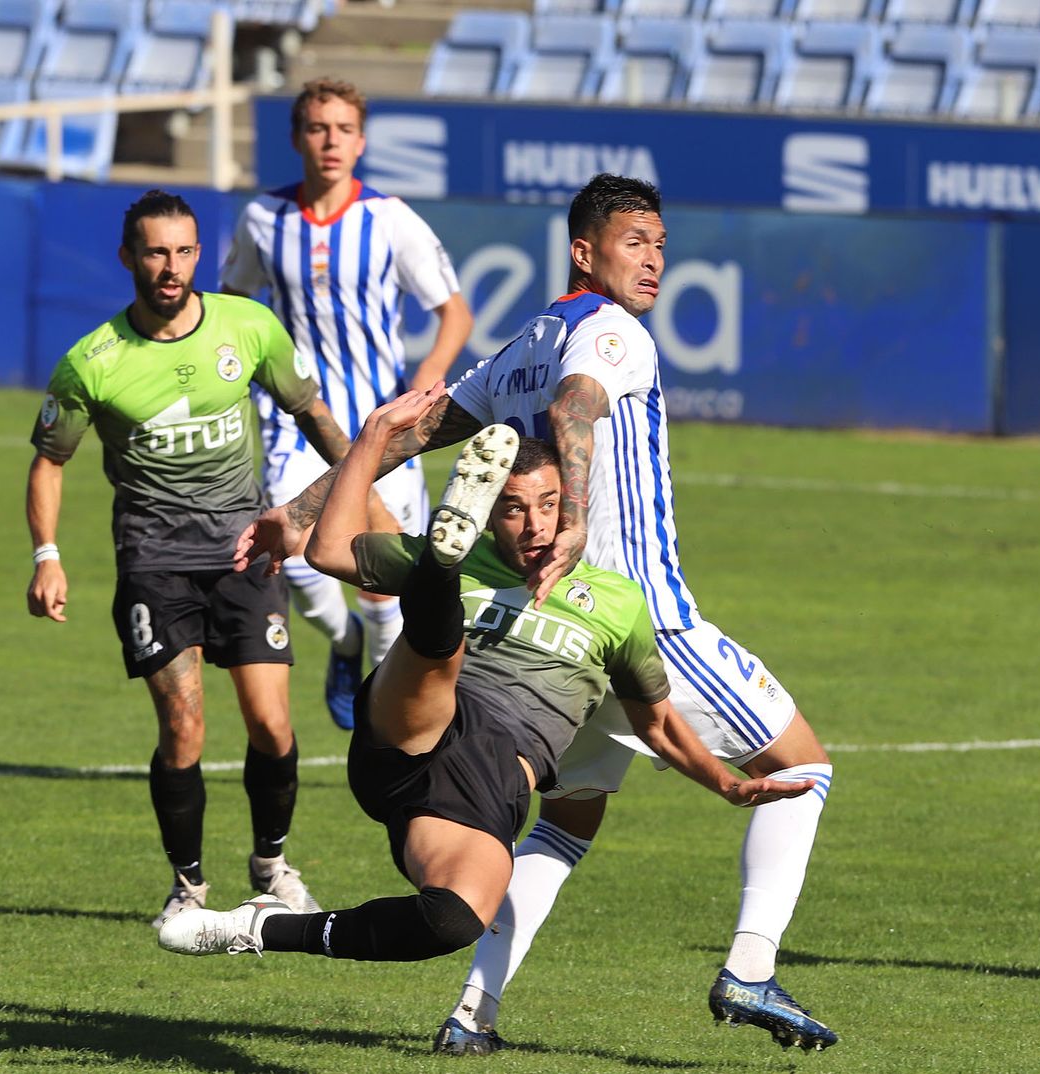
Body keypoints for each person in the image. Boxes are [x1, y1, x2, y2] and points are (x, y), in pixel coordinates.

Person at [236, 174, 841, 1054]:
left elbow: (419, 429)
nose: (655, 261)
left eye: (662, 244)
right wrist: (581, 512)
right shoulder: (611, 332)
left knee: (568, 819)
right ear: (584, 251)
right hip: (639, 620)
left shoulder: (525, 342)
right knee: (806, 773)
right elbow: (577, 405)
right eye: (636, 241)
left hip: (537, 644)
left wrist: (296, 515)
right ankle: (750, 966)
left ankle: (471, 1018)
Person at [159, 403, 812, 993]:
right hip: (417, 720)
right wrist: (373, 438)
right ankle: (436, 579)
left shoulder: (616, 604)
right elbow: (327, 550)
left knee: (453, 920)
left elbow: (660, 725)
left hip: (491, 781)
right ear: (486, 511)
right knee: (440, 645)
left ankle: (256, 928)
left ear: (569, 506)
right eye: (513, 508)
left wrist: (726, 786)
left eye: (550, 505)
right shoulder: (474, 559)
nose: (535, 525)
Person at [26, 190, 358, 930]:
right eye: (154, 252)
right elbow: (50, 462)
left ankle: (272, 866)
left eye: (182, 252)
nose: (169, 268)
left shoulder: (249, 326)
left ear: (199, 255)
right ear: (128, 258)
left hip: (245, 556)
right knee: (184, 731)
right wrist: (47, 555)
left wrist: (355, 487)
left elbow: (314, 415)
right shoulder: (93, 363)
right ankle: (189, 887)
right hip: (154, 563)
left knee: (272, 725)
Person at [221, 77, 474, 731]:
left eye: (343, 130)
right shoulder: (262, 220)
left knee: (385, 581)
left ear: (361, 142)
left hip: (384, 429)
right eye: (316, 128)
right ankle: (343, 642)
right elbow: (233, 306)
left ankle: (381, 725)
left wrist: (429, 378)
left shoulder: (388, 219)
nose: (330, 141)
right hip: (292, 427)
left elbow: (453, 311)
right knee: (295, 565)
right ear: (297, 137)